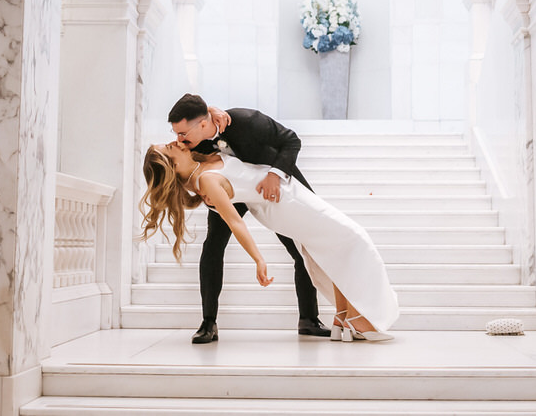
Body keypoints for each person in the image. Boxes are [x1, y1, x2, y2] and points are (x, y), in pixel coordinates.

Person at [142, 139, 399, 341]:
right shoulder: (207, 181)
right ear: (172, 165)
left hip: (287, 194)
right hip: (287, 205)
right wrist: (258, 259)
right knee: (353, 239)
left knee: (332, 249)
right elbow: (235, 221)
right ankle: (357, 318)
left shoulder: (203, 163)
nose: (173, 141)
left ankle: (343, 319)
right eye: (167, 148)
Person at [165, 93, 329, 343]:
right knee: (213, 246)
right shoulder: (191, 142)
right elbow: (184, 170)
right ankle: (208, 323)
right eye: (176, 134)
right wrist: (201, 192)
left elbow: (292, 140)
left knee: (301, 248)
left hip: (271, 187)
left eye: (182, 133)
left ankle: (309, 318)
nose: (178, 139)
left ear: (202, 124)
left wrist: (276, 174)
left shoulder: (246, 120)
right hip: (230, 190)